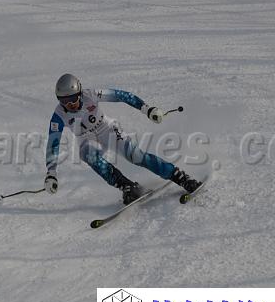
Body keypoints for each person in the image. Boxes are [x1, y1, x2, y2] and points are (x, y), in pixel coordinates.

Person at [44, 73, 201, 204]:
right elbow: (53, 143)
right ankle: (127, 187)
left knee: (135, 156)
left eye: (73, 99)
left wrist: (146, 109)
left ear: (79, 93)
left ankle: (179, 176)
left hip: (107, 129)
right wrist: (51, 173)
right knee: (87, 154)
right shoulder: (59, 115)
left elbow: (121, 95)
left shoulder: (91, 95)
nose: (70, 104)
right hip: (87, 138)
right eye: (64, 101)